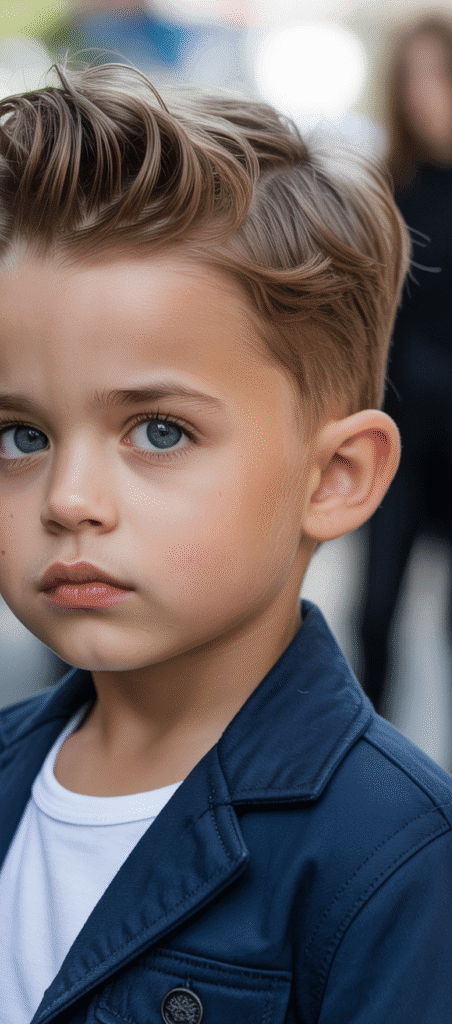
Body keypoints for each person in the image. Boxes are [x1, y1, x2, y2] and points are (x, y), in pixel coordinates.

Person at [0, 63, 452, 1024]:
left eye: (158, 431)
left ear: (334, 477)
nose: (68, 500)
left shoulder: (395, 858)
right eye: (19, 437)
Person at [359, 14, 452, 715]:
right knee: (374, 611)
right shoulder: (384, 189)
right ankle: (366, 762)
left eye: (439, 76)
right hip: (397, 435)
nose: (425, 96)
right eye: (411, 79)